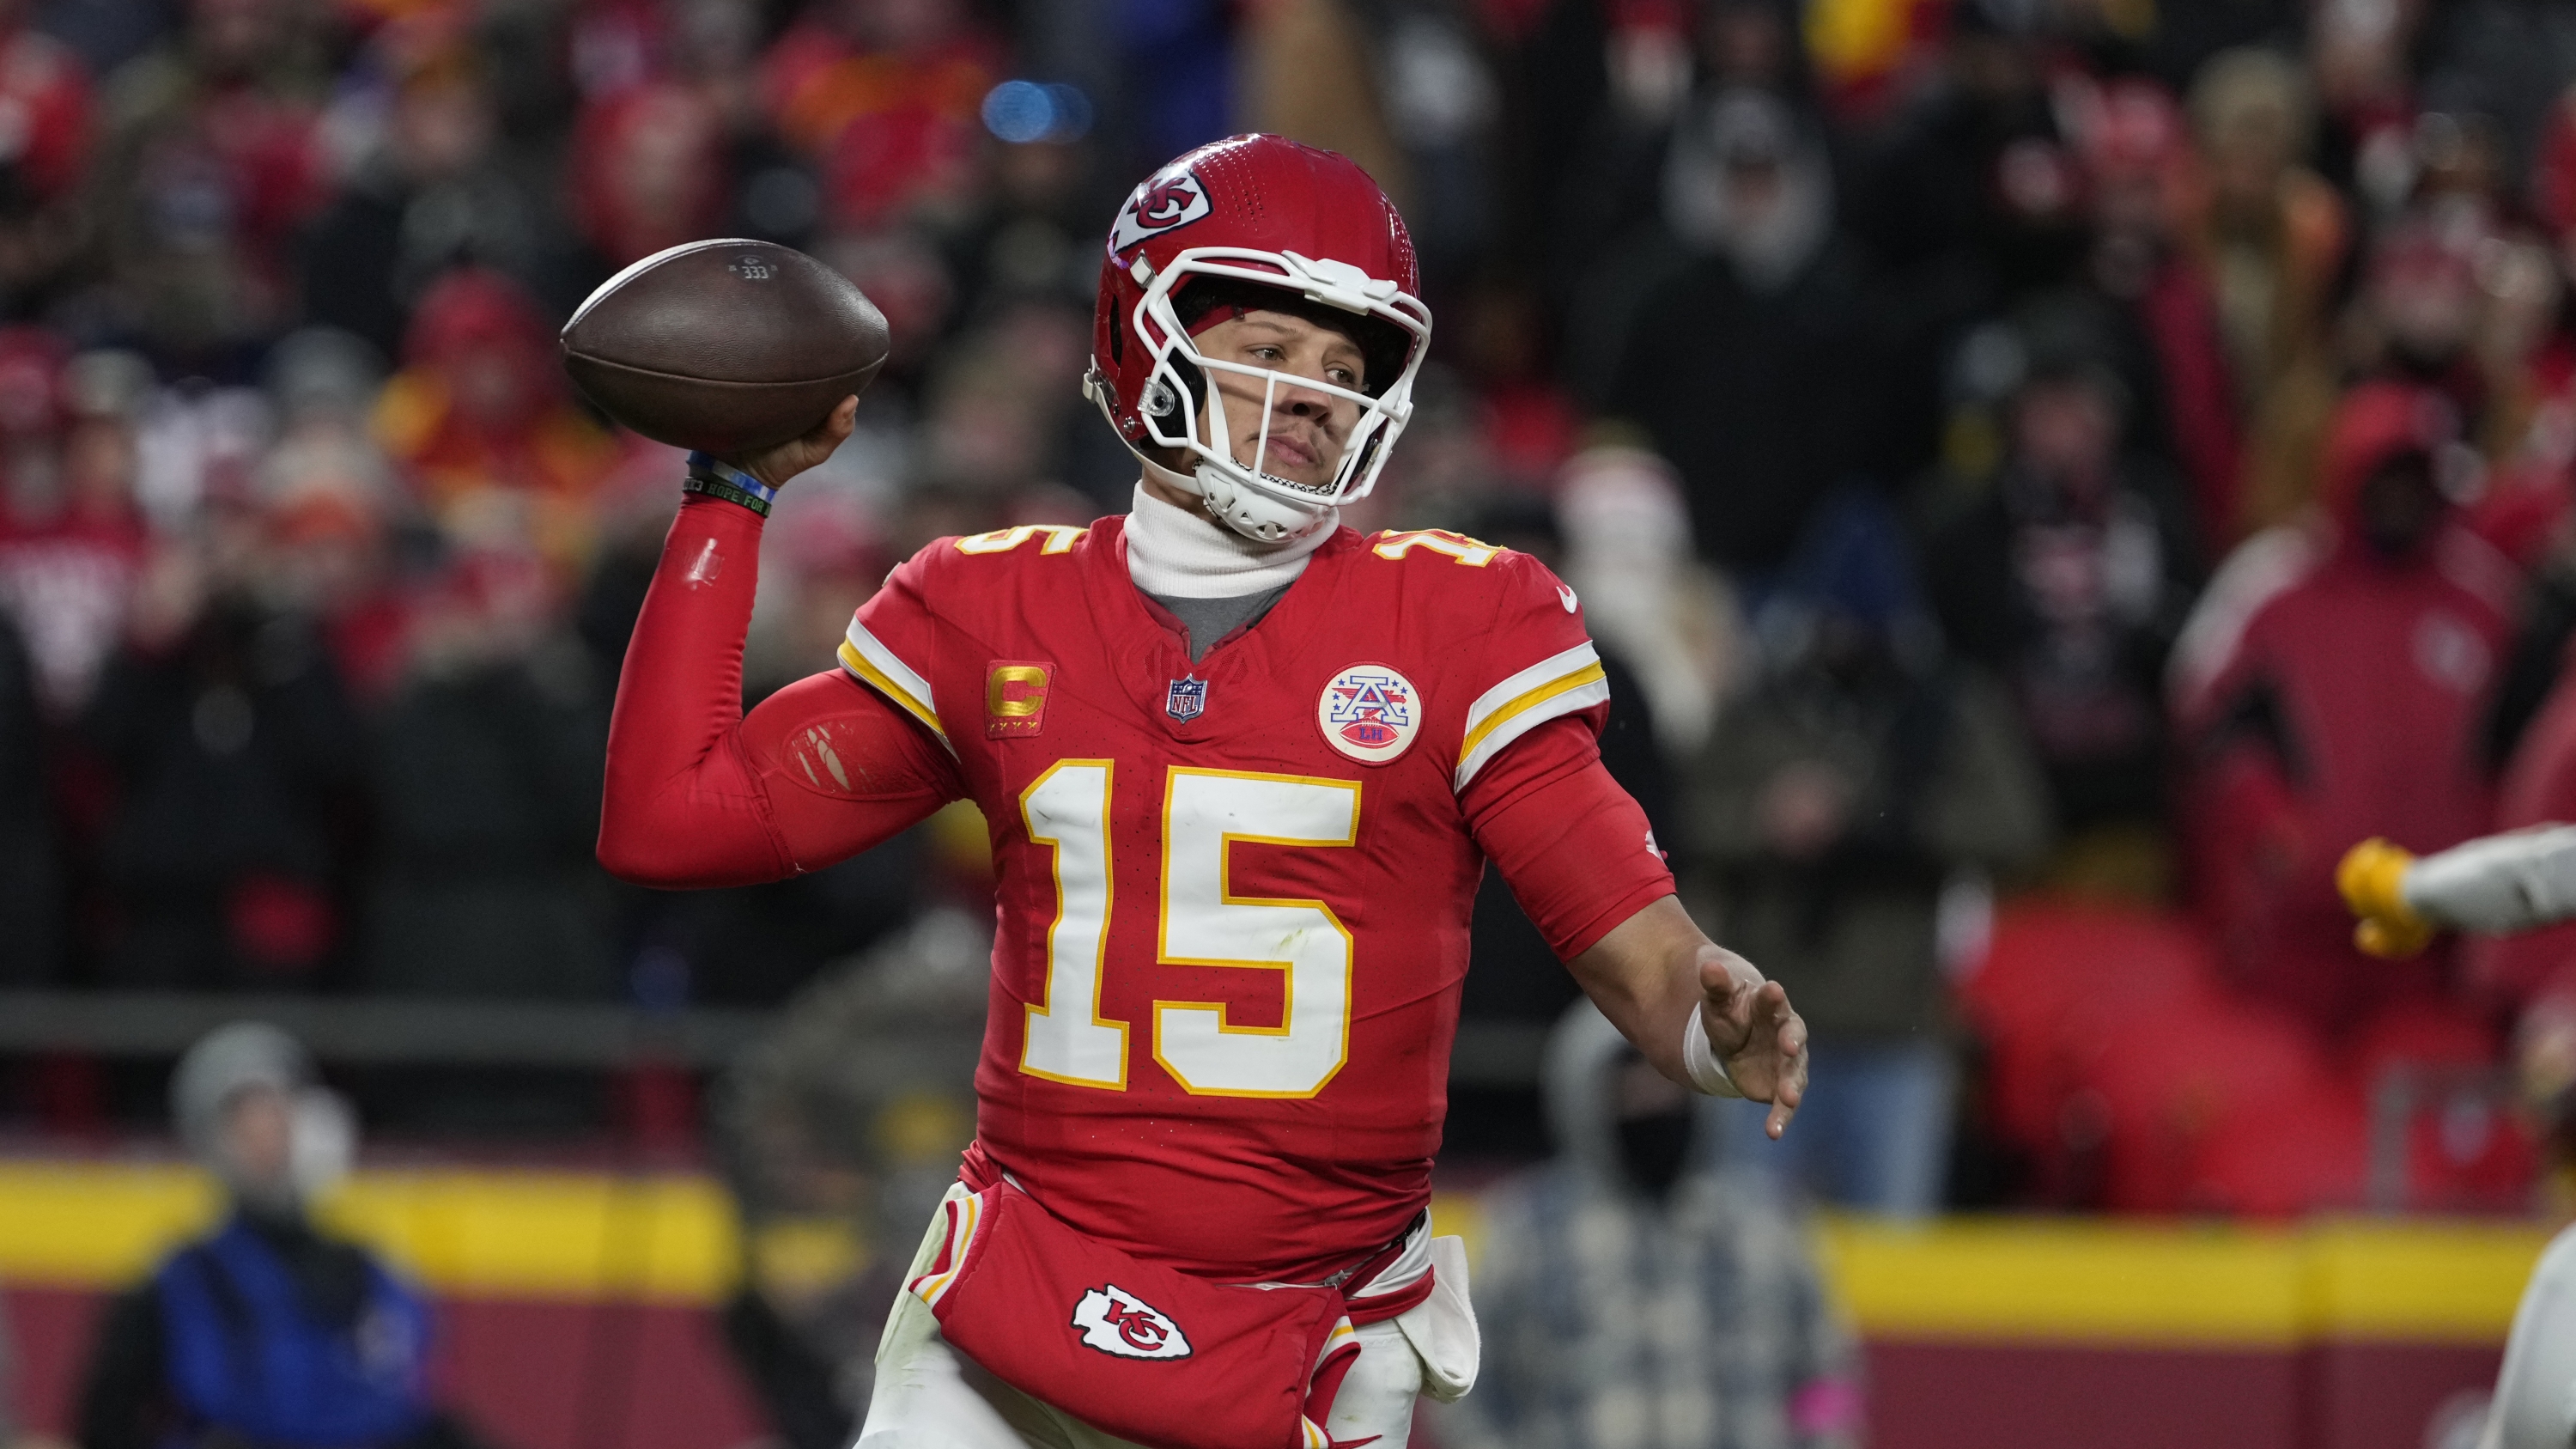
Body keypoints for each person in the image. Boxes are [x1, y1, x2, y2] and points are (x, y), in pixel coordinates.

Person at [595, 133, 1810, 1449]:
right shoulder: (992, 604)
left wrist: (1710, 1012)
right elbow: (675, 815)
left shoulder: (1465, 618)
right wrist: (730, 494)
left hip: (1311, 1339)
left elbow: (1631, 941)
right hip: (1015, 1312)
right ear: (1140, 333)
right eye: (1272, 350)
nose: (1312, 396)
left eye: (1348, 369)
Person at [1434, 1002, 1860, 1449]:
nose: (1654, 1105)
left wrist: (1826, 1437)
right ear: (1586, 1099)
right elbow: (1466, 1390)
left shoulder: (1770, 1225)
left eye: (1669, 1087)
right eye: (1631, 1091)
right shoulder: (1525, 1233)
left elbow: (1828, 1381)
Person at [73, 1023, 483, 1449]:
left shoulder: (370, 1271)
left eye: (279, 1117)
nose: (269, 1140)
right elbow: (105, 1421)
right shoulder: (177, 1283)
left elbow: (414, 1410)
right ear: (210, 1141)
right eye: (247, 1124)